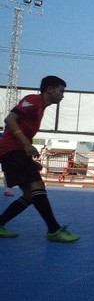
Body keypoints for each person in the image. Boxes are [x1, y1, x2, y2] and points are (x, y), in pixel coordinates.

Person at [0, 75, 80, 242]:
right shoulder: (34, 100)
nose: (63, 95)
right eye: (61, 91)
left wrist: (29, 160)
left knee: (30, 195)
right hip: (11, 151)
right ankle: (54, 230)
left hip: (15, 152)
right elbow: (10, 119)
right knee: (37, 186)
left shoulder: (40, 108)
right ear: (49, 89)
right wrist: (26, 145)